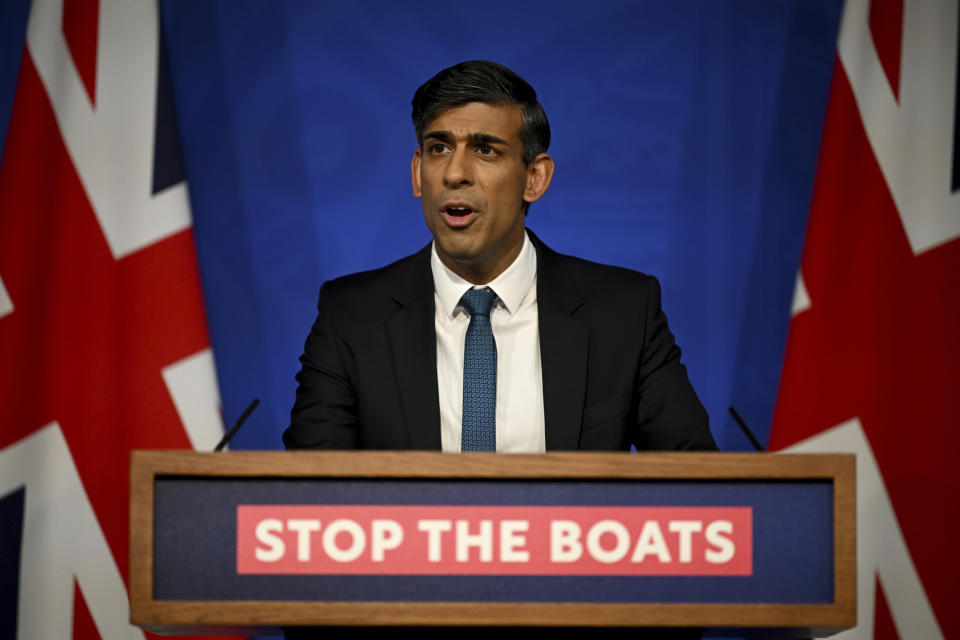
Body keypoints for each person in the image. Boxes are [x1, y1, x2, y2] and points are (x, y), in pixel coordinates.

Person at [283, 60, 716, 453]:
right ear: (418, 173)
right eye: (439, 148)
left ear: (534, 178)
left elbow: (698, 489)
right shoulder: (351, 316)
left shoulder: (623, 312)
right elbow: (310, 499)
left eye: (485, 150)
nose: (454, 173)